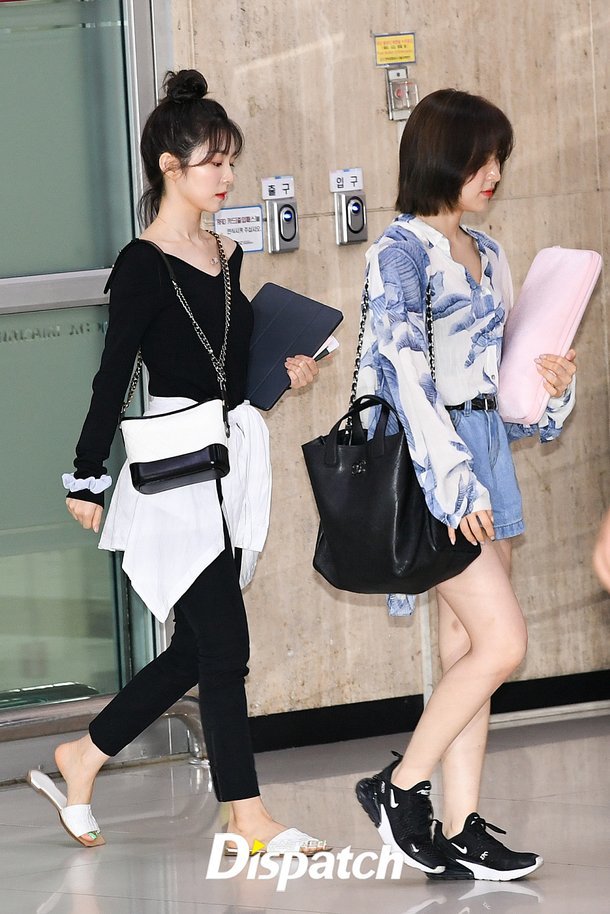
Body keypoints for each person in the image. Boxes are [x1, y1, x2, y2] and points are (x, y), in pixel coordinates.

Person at [27, 69, 326, 856]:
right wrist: (87, 473)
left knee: (200, 648)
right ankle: (247, 816)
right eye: (212, 162)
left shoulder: (226, 254)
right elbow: (113, 373)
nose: (226, 176)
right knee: (225, 649)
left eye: (231, 161)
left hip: (224, 464)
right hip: (171, 473)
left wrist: (285, 373)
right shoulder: (142, 263)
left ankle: (84, 755)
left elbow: (228, 366)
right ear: (170, 166)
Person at [355, 88, 577, 881]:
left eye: (499, 160)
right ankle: (398, 787)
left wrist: (551, 388)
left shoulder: (487, 249)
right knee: (503, 642)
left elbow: (502, 381)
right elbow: (406, 379)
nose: (494, 173)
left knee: (466, 648)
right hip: (437, 466)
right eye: (482, 159)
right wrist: (455, 485)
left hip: (488, 454)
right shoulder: (401, 252)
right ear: (442, 158)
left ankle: (459, 827)